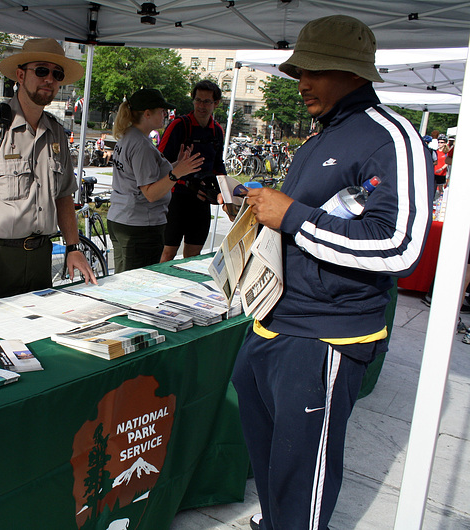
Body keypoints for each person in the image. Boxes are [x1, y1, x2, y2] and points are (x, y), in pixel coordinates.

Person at [230, 16, 433, 530]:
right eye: (298, 70)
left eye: (313, 70)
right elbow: (306, 222)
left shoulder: (392, 137)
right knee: (272, 462)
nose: (301, 83)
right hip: (273, 318)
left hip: (326, 335)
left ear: (353, 72)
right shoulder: (318, 139)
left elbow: (401, 247)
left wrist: (292, 215)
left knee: (304, 477)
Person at [0, 38, 96, 307]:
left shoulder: (56, 132)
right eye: (41, 70)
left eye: (57, 74)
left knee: (35, 340)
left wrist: (73, 247)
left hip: (39, 259)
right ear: (21, 75)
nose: (49, 79)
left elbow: (64, 195)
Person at [107, 88, 202, 273]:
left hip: (124, 220)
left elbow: (144, 175)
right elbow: (150, 193)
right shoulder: (141, 146)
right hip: (139, 226)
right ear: (147, 114)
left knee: (123, 280)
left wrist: (176, 166)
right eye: (161, 111)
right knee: (135, 284)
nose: (165, 115)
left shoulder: (129, 137)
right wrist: (177, 174)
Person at [158, 80, 226, 262]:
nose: (201, 106)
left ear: (216, 103)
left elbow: (219, 165)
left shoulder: (217, 131)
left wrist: (225, 191)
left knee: (193, 257)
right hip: (176, 198)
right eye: (198, 100)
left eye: (207, 102)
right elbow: (158, 160)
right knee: (167, 253)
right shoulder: (179, 126)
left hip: (201, 200)